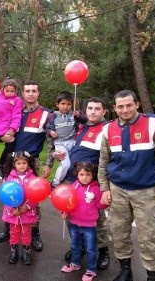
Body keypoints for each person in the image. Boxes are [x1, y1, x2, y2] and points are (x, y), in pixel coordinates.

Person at [98, 90, 155, 281]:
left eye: (129, 105)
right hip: (117, 190)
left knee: (149, 236)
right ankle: (125, 271)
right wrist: (104, 188)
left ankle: (152, 276)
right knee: (119, 233)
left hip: (145, 191)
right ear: (114, 108)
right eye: (120, 106)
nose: (125, 110)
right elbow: (103, 161)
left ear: (137, 104)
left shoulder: (154, 124)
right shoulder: (107, 129)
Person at [53, 97, 111, 270]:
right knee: (75, 215)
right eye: (90, 108)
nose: (93, 111)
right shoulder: (82, 127)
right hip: (75, 180)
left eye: (97, 108)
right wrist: (60, 156)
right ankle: (82, 247)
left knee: (97, 219)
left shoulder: (106, 129)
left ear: (104, 111)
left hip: (92, 183)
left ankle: (102, 250)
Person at [0, 80, 53, 252]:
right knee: (9, 195)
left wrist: (49, 163)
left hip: (32, 162)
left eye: (34, 90)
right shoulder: (13, 111)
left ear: (38, 93)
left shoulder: (46, 114)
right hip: (10, 161)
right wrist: (0, 138)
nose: (30, 94)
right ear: (22, 93)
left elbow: (52, 142)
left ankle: (34, 233)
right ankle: (8, 227)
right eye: (27, 90)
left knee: (33, 198)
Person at [60, 162, 108, 281]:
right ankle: (75, 264)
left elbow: (99, 205)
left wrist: (105, 202)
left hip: (89, 226)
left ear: (93, 175)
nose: (85, 177)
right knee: (75, 246)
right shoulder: (72, 187)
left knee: (91, 249)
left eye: (88, 174)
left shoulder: (96, 189)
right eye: (82, 174)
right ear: (77, 175)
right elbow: (68, 203)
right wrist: (65, 211)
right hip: (74, 224)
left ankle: (91, 270)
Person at [1, 151, 39, 265]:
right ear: (14, 164)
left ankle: (26, 252)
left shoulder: (32, 178)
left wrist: (27, 207)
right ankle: (14, 251)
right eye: (18, 163)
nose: (21, 166)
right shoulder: (9, 178)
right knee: (14, 232)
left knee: (26, 232)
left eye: (24, 163)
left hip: (26, 212)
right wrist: (12, 209)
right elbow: (4, 195)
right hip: (14, 213)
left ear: (28, 164)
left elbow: (35, 195)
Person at [46, 91, 87, 187]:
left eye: (69, 104)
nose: (65, 106)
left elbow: (85, 120)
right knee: (65, 164)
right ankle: (55, 183)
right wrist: (51, 132)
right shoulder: (53, 115)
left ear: (72, 105)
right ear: (57, 104)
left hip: (73, 142)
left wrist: (79, 116)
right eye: (63, 104)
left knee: (75, 163)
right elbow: (47, 128)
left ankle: (75, 183)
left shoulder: (74, 113)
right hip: (60, 143)